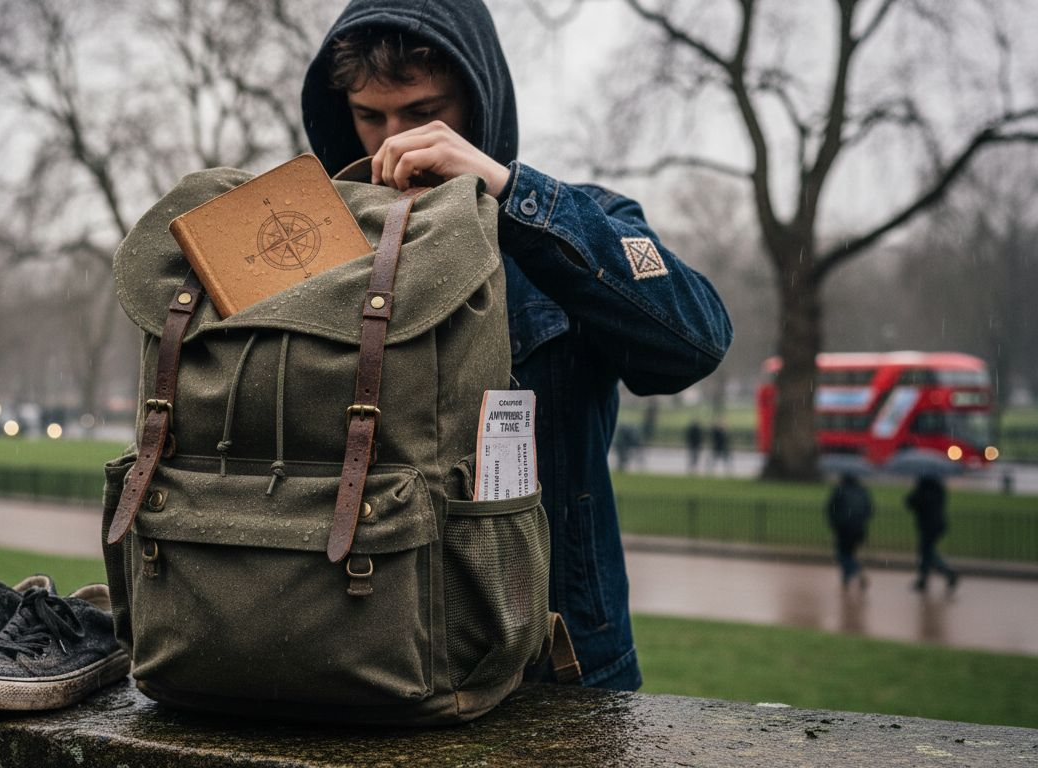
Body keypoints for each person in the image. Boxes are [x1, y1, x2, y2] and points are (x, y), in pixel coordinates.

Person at [301, 0, 732, 690]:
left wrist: (506, 192)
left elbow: (696, 338)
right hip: (363, 660)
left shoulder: (576, 225)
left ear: (478, 100)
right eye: (369, 116)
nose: (395, 140)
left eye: (421, 112)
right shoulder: (323, 248)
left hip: (554, 672)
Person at [905, 474, 958, 592]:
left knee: (926, 552)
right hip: (937, 524)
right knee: (926, 551)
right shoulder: (937, 489)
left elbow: (911, 502)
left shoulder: (923, 490)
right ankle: (924, 579)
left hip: (928, 525)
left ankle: (946, 573)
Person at [825, 472, 872, 589]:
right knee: (849, 553)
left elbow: (831, 508)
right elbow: (869, 509)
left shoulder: (839, 491)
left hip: (844, 528)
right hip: (859, 528)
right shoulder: (862, 491)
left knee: (842, 554)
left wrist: (835, 523)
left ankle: (855, 570)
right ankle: (845, 580)